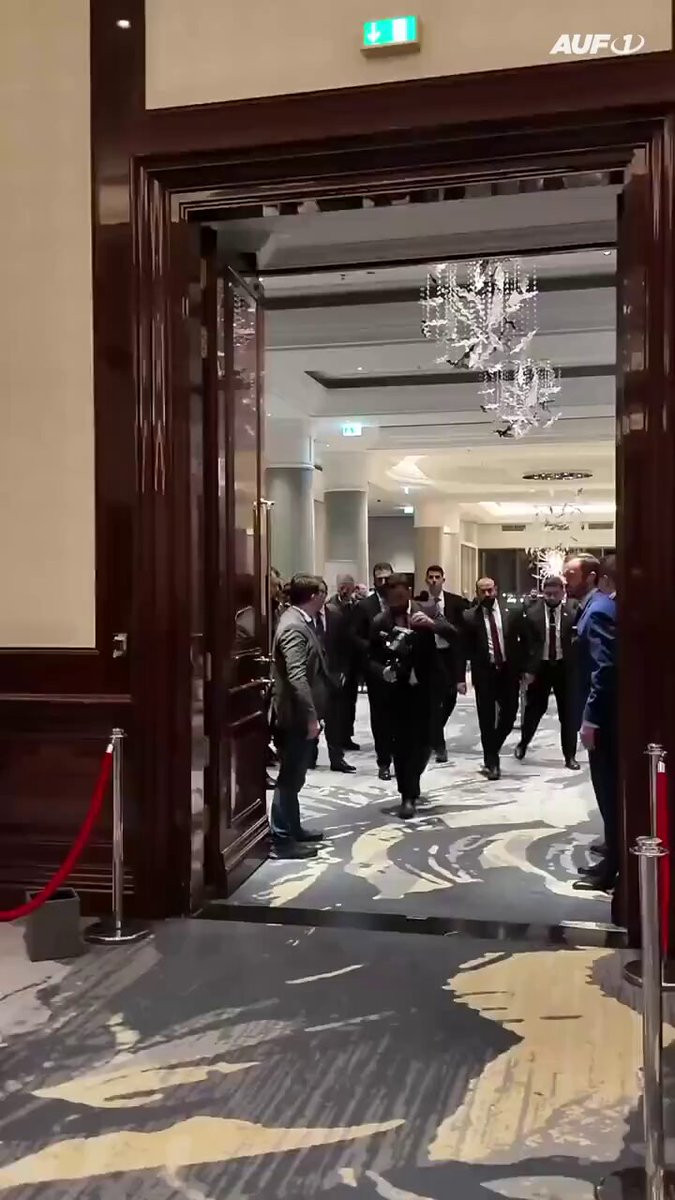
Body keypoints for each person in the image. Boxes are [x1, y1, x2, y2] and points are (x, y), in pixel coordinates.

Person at [565, 553, 618, 892]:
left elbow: (604, 669)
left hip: (604, 718)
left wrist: (591, 719)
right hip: (602, 713)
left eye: (570, 574)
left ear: (593, 577)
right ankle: (611, 857)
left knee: (608, 791)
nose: (564, 580)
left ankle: (611, 868)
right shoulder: (595, 606)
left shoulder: (598, 609)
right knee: (606, 790)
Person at [369, 575, 443, 818]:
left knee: (425, 743)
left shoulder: (427, 611)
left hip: (426, 687)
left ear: (408, 592)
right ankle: (407, 796)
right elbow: (370, 658)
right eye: (391, 597)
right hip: (396, 691)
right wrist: (382, 671)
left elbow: (453, 635)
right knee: (401, 746)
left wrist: (433, 625)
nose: (396, 601)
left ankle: (413, 779)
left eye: (400, 596)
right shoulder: (380, 621)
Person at [270, 574, 330, 859]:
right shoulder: (294, 626)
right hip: (294, 715)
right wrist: (310, 717)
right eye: (322, 593)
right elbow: (296, 676)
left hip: (300, 713)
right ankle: (282, 838)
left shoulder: (300, 620)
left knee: (296, 774)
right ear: (314, 596)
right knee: (289, 776)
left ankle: (292, 828)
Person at [515, 575, 580, 769]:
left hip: (564, 667)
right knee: (534, 710)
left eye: (554, 593)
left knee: (568, 714)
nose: (551, 597)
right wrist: (526, 670)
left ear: (562, 592)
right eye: (547, 593)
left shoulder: (573, 611)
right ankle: (523, 743)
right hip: (540, 667)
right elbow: (524, 644)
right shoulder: (532, 612)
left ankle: (570, 756)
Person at [464, 577, 525, 781]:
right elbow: (464, 648)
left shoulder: (512, 612)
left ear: (496, 590)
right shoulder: (469, 617)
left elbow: (522, 642)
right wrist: (461, 677)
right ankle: (492, 762)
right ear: (477, 593)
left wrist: (525, 668)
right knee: (487, 719)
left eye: (490, 590)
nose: (487, 594)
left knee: (510, 714)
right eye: (483, 591)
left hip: (508, 671)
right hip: (485, 673)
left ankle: (493, 747)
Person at [352, 562, 395, 779]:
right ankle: (384, 761)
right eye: (380, 579)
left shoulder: (402, 600)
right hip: (376, 666)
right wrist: (373, 645)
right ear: (374, 580)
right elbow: (354, 636)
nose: (384, 583)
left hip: (402, 665)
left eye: (387, 578)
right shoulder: (365, 606)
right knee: (380, 717)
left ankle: (402, 757)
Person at [310, 579, 356, 774]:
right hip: (312, 675)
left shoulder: (336, 616)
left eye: (323, 591)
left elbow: (346, 646)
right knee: (311, 715)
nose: (320, 596)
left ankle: (337, 758)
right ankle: (310, 757)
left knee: (335, 719)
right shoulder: (303, 618)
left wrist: (344, 671)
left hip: (334, 673)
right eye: (316, 592)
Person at [424, 564, 470, 762]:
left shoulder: (455, 602)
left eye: (437, 577)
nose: (434, 580)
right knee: (434, 703)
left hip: (450, 656)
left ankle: (431, 734)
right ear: (426, 580)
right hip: (430, 656)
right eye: (431, 577)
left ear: (443, 579)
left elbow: (462, 633)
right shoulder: (419, 602)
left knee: (450, 700)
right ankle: (439, 746)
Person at [326, 573, 360, 752]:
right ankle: (337, 738)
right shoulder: (331, 606)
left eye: (349, 587)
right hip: (337, 660)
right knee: (338, 703)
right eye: (343, 586)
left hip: (353, 660)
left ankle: (347, 735)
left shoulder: (356, 605)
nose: (345, 590)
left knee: (350, 701)